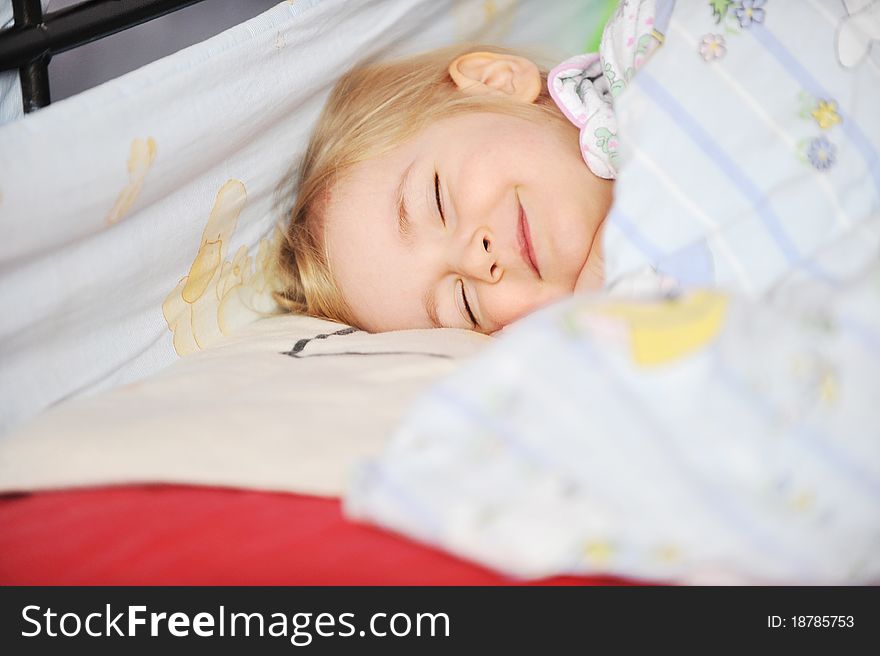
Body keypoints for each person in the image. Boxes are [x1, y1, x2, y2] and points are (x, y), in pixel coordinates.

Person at [273, 4, 662, 334]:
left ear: (494, 82)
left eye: (439, 201)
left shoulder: (651, 40)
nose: (476, 260)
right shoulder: (643, 326)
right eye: (464, 303)